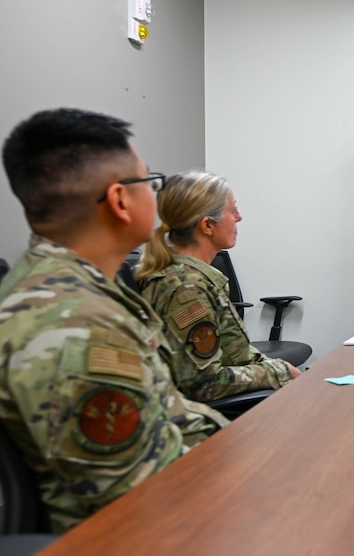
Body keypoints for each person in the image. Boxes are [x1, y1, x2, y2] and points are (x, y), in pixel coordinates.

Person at [0, 108, 228, 532]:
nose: (156, 197)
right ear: (122, 200)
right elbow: (139, 501)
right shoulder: (77, 327)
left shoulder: (76, 290)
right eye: (150, 182)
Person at [134, 171, 301, 403]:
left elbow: (235, 356)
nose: (239, 217)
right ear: (207, 225)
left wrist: (275, 368)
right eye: (233, 210)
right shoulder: (186, 288)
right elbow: (204, 384)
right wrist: (277, 372)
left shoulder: (195, 277)